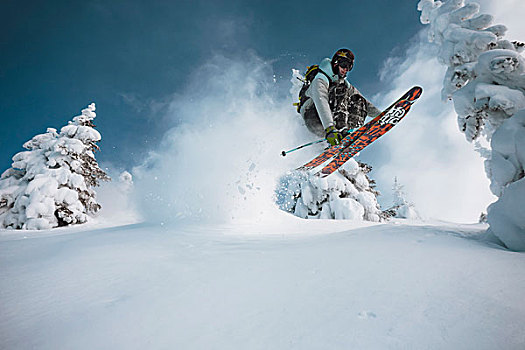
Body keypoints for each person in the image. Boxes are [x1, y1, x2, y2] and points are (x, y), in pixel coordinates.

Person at [299, 48, 381, 146]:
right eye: (344, 65)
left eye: (349, 67)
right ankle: (340, 131)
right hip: (313, 117)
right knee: (340, 89)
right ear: (336, 63)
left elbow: (364, 102)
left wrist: (381, 116)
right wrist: (330, 129)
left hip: (330, 125)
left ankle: (348, 133)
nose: (346, 69)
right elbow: (321, 101)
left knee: (357, 98)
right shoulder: (320, 79)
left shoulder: (342, 82)